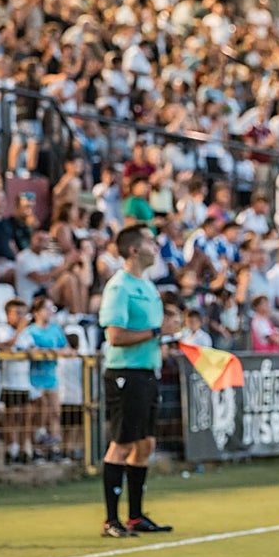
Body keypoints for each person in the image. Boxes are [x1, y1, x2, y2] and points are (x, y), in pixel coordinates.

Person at [98, 225, 180, 537]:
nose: (155, 244)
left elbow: (150, 333)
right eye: (148, 240)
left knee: (145, 444)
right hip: (125, 374)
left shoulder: (145, 285)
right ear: (133, 250)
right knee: (122, 444)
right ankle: (111, 521)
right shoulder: (120, 287)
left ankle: (134, 517)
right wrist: (158, 333)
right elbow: (115, 336)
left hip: (146, 372)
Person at [25, 296, 71, 459]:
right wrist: (48, 352)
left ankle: (54, 448)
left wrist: (49, 352)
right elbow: (31, 350)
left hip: (51, 377)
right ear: (37, 312)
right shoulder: (30, 330)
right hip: (34, 379)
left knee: (54, 413)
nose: (50, 312)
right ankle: (36, 449)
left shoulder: (55, 330)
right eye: (47, 308)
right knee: (38, 415)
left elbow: (66, 349)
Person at [0, 298, 34, 463]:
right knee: (10, 416)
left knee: (25, 416)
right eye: (17, 313)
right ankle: (11, 448)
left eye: (22, 313)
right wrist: (19, 330)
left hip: (24, 381)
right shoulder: (2, 329)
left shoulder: (26, 333)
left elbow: (31, 348)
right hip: (9, 381)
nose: (20, 317)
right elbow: (7, 345)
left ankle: (24, 448)